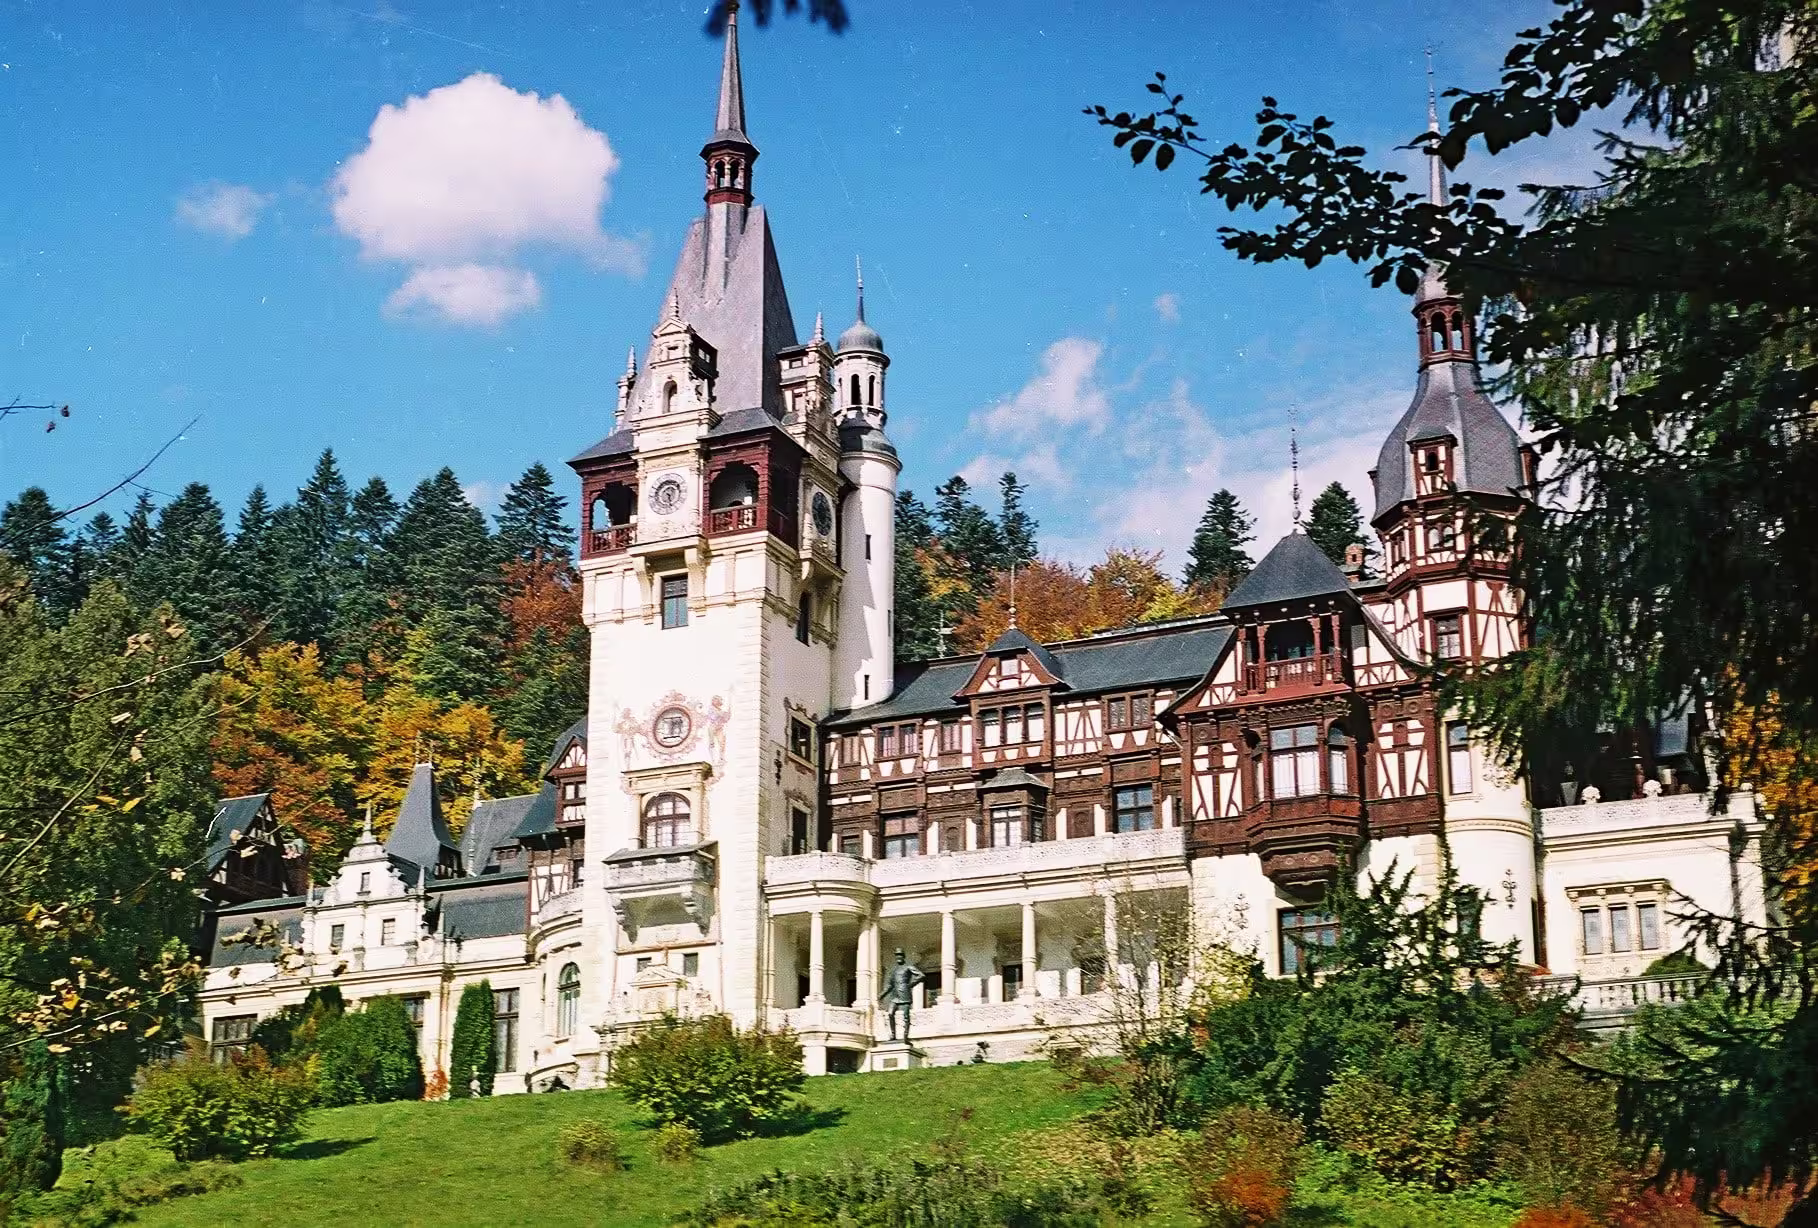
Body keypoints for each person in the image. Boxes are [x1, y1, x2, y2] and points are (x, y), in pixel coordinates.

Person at [878, 947, 925, 1042]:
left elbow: (921, 975)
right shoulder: (894, 970)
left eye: (900, 955)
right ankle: (893, 1035)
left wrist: (910, 985)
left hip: (905, 994)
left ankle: (905, 1037)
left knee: (906, 1016)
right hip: (895, 996)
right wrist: (882, 995)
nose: (898, 957)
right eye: (897, 955)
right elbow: (890, 985)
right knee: (890, 1014)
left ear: (903, 956)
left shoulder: (908, 967)